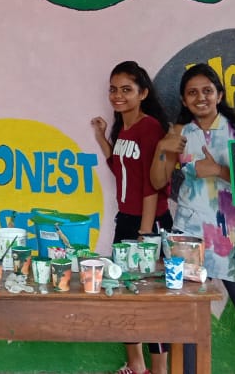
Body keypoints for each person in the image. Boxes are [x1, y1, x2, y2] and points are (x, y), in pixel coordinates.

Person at [149, 63, 235, 366]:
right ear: (184, 99)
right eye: (192, 92)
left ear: (219, 94)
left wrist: (218, 170)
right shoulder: (180, 132)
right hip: (190, 239)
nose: (200, 97)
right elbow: (157, 182)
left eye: (207, 91)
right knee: (188, 321)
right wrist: (163, 148)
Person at [90, 60, 171, 374]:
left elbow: (152, 184)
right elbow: (120, 169)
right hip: (126, 220)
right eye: (113, 89)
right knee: (124, 291)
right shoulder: (124, 127)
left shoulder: (150, 128)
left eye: (126, 89)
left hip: (149, 224)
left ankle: (159, 369)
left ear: (143, 93)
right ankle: (137, 365)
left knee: (150, 298)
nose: (117, 95)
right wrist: (101, 137)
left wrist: (145, 234)